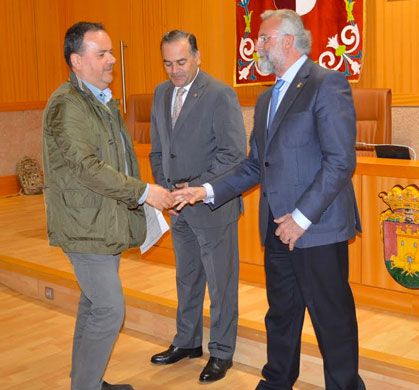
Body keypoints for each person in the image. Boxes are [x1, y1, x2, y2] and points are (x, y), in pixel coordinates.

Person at [174, 9, 365, 390]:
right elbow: (254, 167)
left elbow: (340, 161)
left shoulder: (327, 84)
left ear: (288, 41)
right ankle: (277, 381)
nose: (257, 45)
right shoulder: (266, 100)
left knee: (332, 319)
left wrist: (301, 217)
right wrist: (206, 190)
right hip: (277, 227)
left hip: (318, 228)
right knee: (281, 314)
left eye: (264, 38)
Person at [43, 22, 175, 390]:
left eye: (110, 52)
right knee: (109, 309)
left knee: (93, 306)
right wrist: (144, 193)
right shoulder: (66, 105)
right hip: (84, 224)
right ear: (76, 61)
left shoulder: (102, 100)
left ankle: (86, 382)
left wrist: (147, 198)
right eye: (101, 54)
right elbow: (86, 167)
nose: (111, 60)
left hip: (105, 221)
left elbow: (123, 162)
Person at [148, 30, 247, 383]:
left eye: (181, 62)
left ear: (197, 57)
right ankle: (187, 341)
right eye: (168, 63)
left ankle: (221, 351)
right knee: (187, 278)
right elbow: (158, 150)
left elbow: (234, 154)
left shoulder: (220, 94)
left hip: (210, 204)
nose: (174, 70)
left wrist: (197, 188)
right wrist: (168, 190)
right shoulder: (161, 94)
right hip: (177, 206)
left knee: (221, 284)